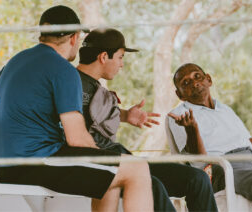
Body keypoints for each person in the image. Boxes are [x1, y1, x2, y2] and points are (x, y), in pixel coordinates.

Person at [0, 6, 154, 212]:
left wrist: (25, 107)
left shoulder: (17, 60)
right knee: (137, 168)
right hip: (38, 162)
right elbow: (77, 139)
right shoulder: (63, 69)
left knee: (110, 178)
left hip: (5, 166)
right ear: (74, 37)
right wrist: (104, 157)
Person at [76, 28, 218, 211]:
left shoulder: (95, 87)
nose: (122, 64)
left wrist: (126, 115)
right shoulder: (69, 82)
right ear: (104, 57)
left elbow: (92, 113)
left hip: (123, 158)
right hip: (103, 164)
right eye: (120, 57)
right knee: (152, 185)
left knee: (197, 179)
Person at [167, 63, 252, 211]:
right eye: (186, 83)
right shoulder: (180, 115)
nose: (194, 83)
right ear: (180, 94)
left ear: (209, 80)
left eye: (197, 76)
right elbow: (198, 158)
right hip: (223, 170)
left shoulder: (225, 109)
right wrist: (191, 129)